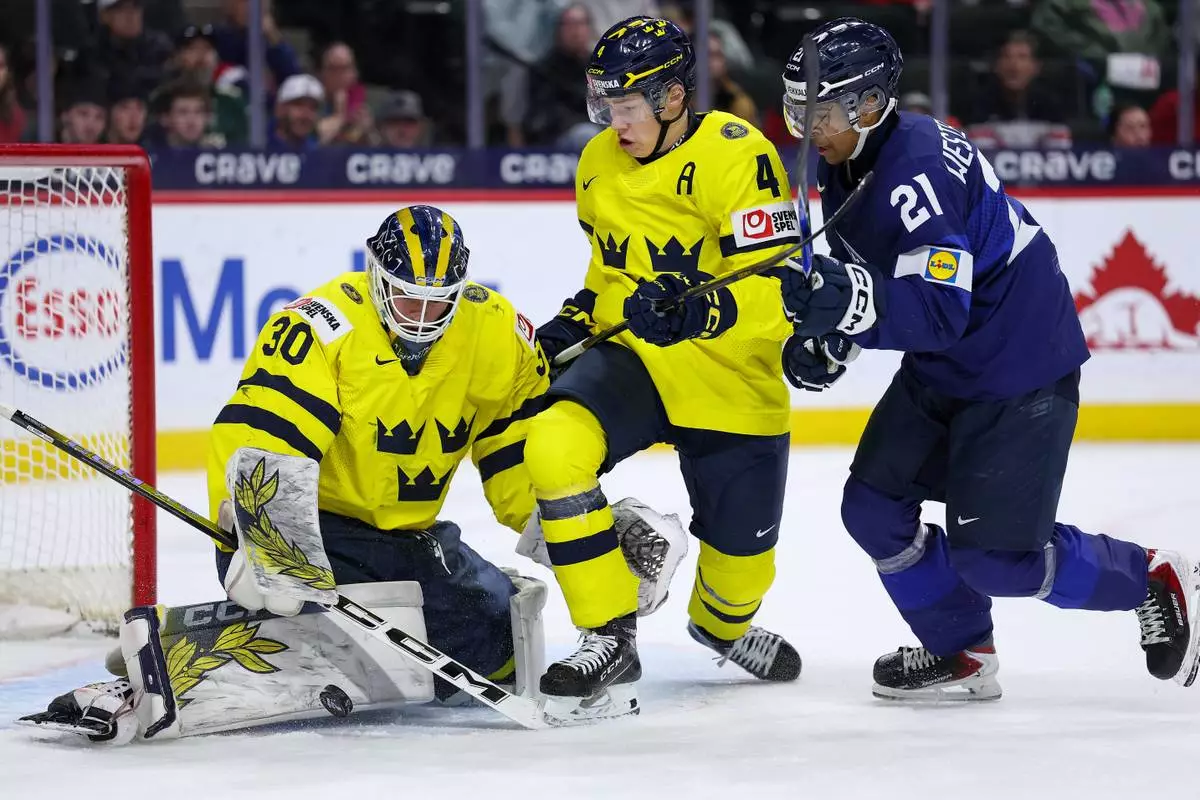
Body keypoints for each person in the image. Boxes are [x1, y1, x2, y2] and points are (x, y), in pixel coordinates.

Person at [19, 206, 681, 742]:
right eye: (406, 300)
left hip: (410, 536)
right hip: (312, 531)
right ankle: (161, 658)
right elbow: (260, 434)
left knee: (494, 648)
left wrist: (588, 538)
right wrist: (266, 535)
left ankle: (245, 637)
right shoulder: (319, 328)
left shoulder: (497, 335)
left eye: (437, 304)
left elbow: (515, 467)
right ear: (374, 276)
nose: (421, 321)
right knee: (325, 625)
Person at [774, 17, 1200, 701]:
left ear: (871, 102)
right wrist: (836, 335)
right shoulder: (851, 156)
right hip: (948, 365)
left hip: (1017, 364)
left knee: (997, 560)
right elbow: (888, 278)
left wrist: (846, 304)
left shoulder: (914, 173)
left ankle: (1149, 576)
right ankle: (961, 650)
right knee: (873, 509)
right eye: (801, 109)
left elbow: (941, 312)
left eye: (820, 111)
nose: (807, 127)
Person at [526, 16, 803, 721]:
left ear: (673, 98)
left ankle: (722, 627)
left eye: (624, 107)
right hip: (636, 361)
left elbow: (783, 291)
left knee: (739, 577)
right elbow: (605, 271)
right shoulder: (596, 163)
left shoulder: (740, 156)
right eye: (604, 106)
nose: (611, 123)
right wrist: (578, 318)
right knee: (554, 444)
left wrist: (697, 315)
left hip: (729, 378)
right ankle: (609, 633)